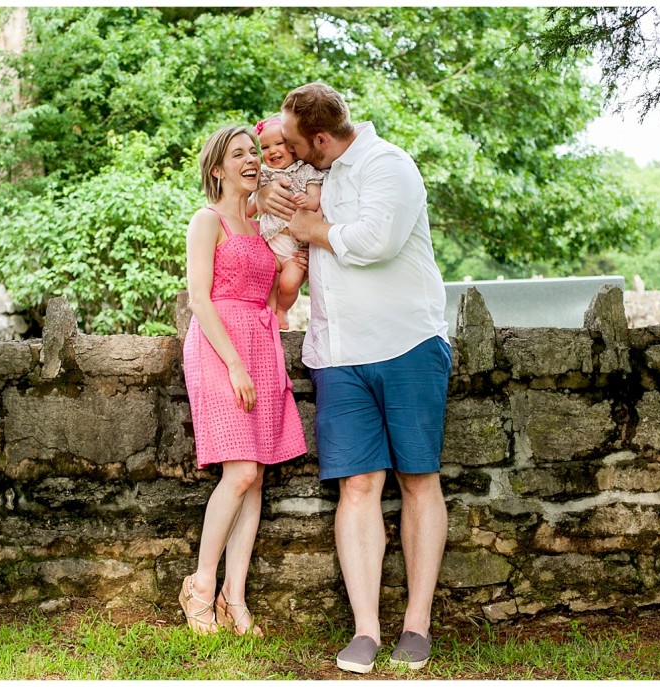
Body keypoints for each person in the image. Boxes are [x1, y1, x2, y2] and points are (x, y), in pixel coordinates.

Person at [258, 82, 451, 673]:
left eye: (293, 142)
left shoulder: (387, 164)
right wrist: (268, 202)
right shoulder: (306, 174)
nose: (286, 151)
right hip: (336, 353)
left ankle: (415, 625)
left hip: (407, 344)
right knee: (357, 487)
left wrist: (317, 232)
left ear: (319, 137)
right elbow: (251, 201)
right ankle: (366, 630)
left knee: (418, 479)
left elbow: (377, 241)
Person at [179, 125, 308, 637]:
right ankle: (200, 587)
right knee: (239, 474)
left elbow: (278, 301)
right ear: (218, 168)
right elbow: (198, 299)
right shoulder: (206, 221)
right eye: (239, 154)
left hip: (262, 343)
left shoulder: (263, 226)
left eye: (253, 152)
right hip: (219, 347)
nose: (252, 159)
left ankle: (236, 596)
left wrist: (292, 278)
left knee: (255, 476)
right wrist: (233, 363)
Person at [251, 114, 325, 330]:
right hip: (269, 241)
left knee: (289, 282)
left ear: (292, 145)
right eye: (264, 147)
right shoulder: (262, 175)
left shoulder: (305, 171)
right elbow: (247, 208)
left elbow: (315, 200)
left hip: (293, 249)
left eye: (278, 144)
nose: (271, 151)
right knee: (268, 280)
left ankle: (282, 310)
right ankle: (269, 312)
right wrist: (258, 196)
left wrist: (307, 200)